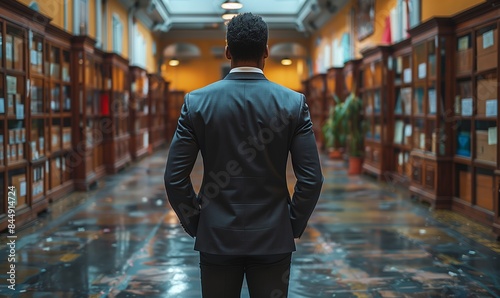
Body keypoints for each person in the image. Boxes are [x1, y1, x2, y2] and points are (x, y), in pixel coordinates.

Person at [164, 12, 323, 298]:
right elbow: (311, 179)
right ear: (266, 52)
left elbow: (174, 178)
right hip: (273, 237)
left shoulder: (197, 103)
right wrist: (291, 225)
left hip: (216, 237)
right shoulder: (293, 103)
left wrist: (198, 224)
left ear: (227, 51)